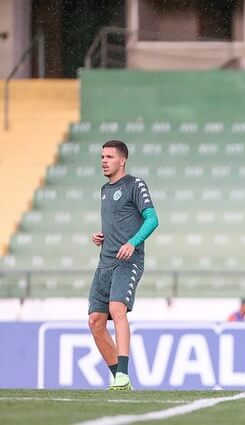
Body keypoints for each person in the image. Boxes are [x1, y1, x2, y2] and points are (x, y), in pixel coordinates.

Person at [88, 139, 159, 390]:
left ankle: (123, 375)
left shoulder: (135, 184)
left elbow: (152, 219)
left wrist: (133, 242)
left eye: (109, 157)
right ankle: (118, 376)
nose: (104, 161)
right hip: (105, 262)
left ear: (122, 160)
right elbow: (117, 221)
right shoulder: (104, 190)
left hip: (127, 261)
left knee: (117, 309)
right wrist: (102, 236)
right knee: (95, 321)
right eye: (101, 157)